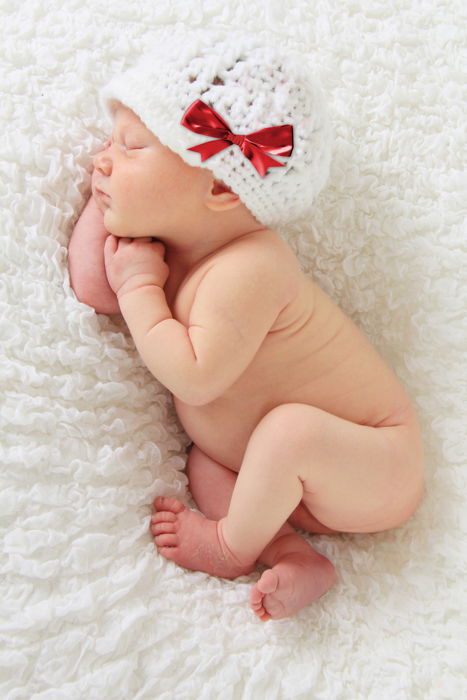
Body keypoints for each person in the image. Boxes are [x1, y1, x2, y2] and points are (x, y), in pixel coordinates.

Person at [68, 34, 424, 621]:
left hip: (375, 460)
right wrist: (106, 203)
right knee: (208, 461)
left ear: (219, 187)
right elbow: (94, 287)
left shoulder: (252, 266)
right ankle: (288, 553)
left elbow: (196, 378)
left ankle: (232, 546)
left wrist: (140, 287)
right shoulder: (172, 248)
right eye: (109, 141)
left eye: (131, 146)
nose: (100, 159)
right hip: (280, 480)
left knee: (289, 434)